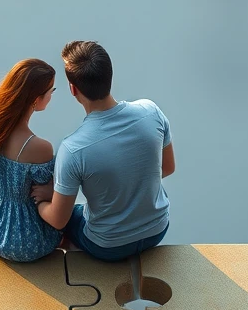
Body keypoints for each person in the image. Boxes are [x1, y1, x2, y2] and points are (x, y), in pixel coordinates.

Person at [31, 41, 175, 261]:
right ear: (110, 76)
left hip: (107, 246)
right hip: (157, 229)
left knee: (65, 218)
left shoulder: (73, 149)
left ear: (73, 89)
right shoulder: (151, 111)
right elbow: (167, 167)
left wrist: (43, 202)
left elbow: (58, 219)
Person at [0, 59, 64, 262]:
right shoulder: (39, 147)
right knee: (73, 216)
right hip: (22, 242)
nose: (51, 96)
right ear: (36, 100)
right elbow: (49, 196)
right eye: (51, 91)